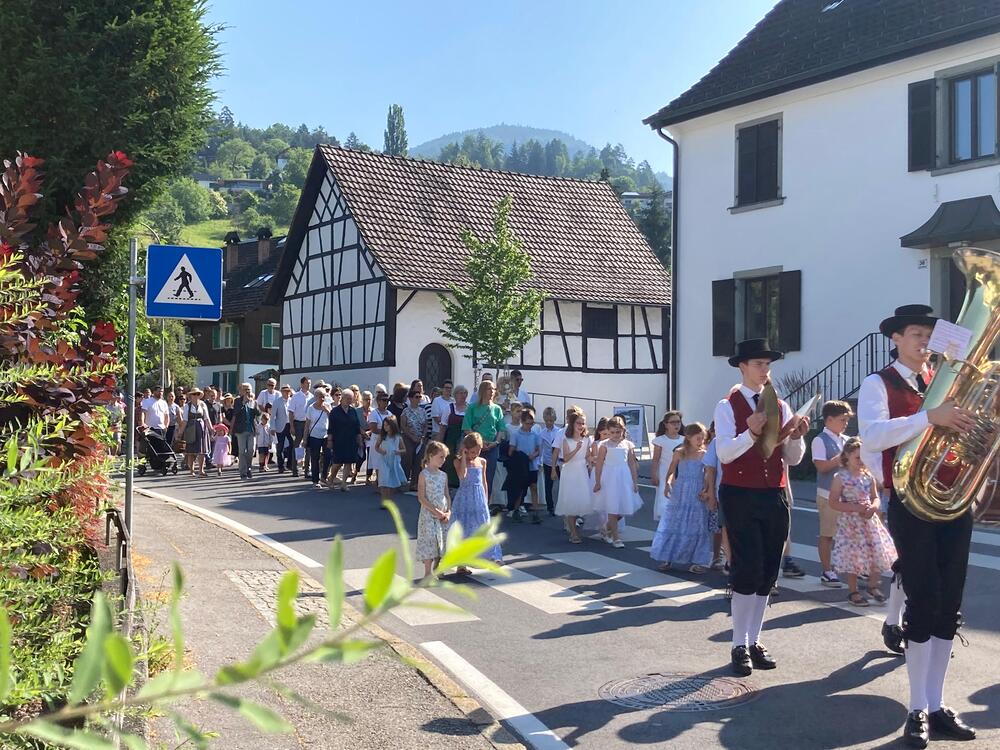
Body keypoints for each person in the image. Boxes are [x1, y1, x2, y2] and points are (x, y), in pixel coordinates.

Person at [857, 304, 977, 746]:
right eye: (916, 335)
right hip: (911, 503)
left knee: (949, 605)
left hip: (954, 501)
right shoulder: (878, 383)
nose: (924, 342)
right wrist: (930, 416)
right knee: (924, 603)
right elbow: (872, 436)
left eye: (929, 335)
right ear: (896, 339)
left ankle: (938, 703)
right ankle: (917, 708)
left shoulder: (944, 379)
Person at [714, 338, 809, 678]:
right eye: (758, 364)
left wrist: (796, 436)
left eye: (767, 365)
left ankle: (754, 639)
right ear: (743, 367)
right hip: (740, 494)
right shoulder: (727, 406)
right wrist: (750, 434)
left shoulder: (781, 406)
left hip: (774, 494)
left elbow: (792, 459)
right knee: (747, 569)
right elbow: (725, 454)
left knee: (768, 571)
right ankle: (738, 643)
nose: (765, 370)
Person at [827, 437, 897, 607]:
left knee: (875, 552)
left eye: (863, 457)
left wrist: (874, 507)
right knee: (853, 556)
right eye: (857, 457)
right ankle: (853, 590)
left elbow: (875, 497)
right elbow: (833, 502)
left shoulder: (868, 476)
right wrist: (854, 507)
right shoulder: (840, 477)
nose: (861, 461)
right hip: (851, 524)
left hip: (869, 521)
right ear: (847, 456)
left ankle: (873, 586)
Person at [651, 423, 713, 573]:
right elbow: (672, 470)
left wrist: (706, 490)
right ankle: (668, 557)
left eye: (703, 438)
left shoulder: (704, 454)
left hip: (696, 492)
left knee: (697, 525)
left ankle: (697, 560)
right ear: (689, 437)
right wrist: (667, 483)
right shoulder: (679, 452)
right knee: (674, 523)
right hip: (681, 491)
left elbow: (708, 474)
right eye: (698, 438)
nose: (700, 441)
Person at [812, 400, 853, 588]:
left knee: (850, 534)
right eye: (842, 420)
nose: (845, 423)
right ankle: (827, 571)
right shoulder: (820, 440)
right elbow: (821, 467)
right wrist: (841, 457)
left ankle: (852, 568)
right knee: (827, 534)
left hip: (847, 495)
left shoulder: (846, 440)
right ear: (829, 420)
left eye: (847, 420)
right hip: (827, 494)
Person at [449, 432, 502, 574]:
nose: (475, 455)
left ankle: (492, 556)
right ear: (466, 449)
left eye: (478, 451)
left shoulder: (482, 461)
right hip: (464, 499)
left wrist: (486, 498)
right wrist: (464, 457)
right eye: (472, 452)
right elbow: (462, 476)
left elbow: (484, 482)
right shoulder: (458, 461)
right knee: (464, 528)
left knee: (482, 526)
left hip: (478, 498)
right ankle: (461, 564)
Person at [592, 416, 643, 548]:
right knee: (613, 507)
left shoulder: (628, 444)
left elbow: (631, 464)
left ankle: (606, 526)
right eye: (612, 432)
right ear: (608, 432)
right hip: (610, 478)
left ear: (623, 431)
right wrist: (597, 481)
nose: (615, 435)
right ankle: (616, 537)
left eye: (618, 432)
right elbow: (599, 464)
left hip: (624, 477)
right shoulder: (604, 445)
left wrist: (635, 482)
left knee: (624, 507)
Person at [462, 380, 507, 499]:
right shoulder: (472, 408)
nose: (492, 391)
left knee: (488, 477)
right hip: (474, 447)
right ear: (482, 391)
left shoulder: (497, 409)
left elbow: (501, 429)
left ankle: (485, 502)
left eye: (493, 389)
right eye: (489, 389)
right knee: (473, 475)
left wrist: (496, 442)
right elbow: (466, 427)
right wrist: (479, 442)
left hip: (491, 447)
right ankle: (472, 501)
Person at [554, 411, 594, 544]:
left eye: (583, 423)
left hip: (581, 472)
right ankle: (573, 533)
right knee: (571, 502)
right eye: (578, 423)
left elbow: (587, 456)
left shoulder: (587, 439)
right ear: (572, 424)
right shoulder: (566, 440)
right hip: (570, 472)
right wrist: (576, 449)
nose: (581, 426)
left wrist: (592, 460)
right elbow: (566, 458)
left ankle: (574, 528)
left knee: (580, 501)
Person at [415, 441, 451, 581]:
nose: (443, 460)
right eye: (441, 457)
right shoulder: (424, 474)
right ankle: (427, 573)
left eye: (445, 457)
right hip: (429, 515)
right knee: (429, 541)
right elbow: (421, 497)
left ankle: (438, 566)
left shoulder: (443, 475)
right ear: (431, 456)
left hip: (442, 515)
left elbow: (446, 494)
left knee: (441, 541)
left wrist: (448, 511)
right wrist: (436, 512)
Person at [506, 407, 543, 524]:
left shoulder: (535, 435)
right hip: (521, 466)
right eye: (527, 423)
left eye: (532, 423)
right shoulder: (516, 434)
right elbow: (511, 451)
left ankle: (536, 512)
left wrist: (533, 455)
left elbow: (539, 450)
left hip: (532, 465)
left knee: (534, 487)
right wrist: (519, 455)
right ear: (522, 422)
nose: (530, 426)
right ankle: (516, 510)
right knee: (520, 489)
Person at [701, 423, 730, 571]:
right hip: (722, 491)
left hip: (745, 492)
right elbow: (710, 469)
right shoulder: (716, 442)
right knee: (721, 527)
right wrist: (710, 493)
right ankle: (719, 557)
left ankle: (732, 560)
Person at [651, 411, 685, 522]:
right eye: (673, 422)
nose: (676, 425)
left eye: (678, 422)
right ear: (666, 424)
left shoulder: (684, 440)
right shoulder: (660, 440)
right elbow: (655, 460)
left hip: (680, 473)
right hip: (664, 473)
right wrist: (654, 474)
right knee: (665, 499)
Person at [327, 389, 364, 491]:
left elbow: (357, 426)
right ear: (342, 398)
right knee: (337, 462)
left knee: (348, 461)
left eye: (351, 399)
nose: (349, 401)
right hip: (338, 440)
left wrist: (359, 439)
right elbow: (331, 427)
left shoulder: (353, 411)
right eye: (347, 398)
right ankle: (331, 478)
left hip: (351, 440)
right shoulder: (335, 411)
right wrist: (330, 440)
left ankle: (344, 483)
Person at [401, 389, 428, 491]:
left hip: (420, 439)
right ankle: (404, 482)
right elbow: (403, 425)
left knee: (419, 461)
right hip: (408, 438)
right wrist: (412, 436)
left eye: (420, 397)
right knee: (407, 459)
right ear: (411, 398)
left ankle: (415, 483)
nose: (418, 399)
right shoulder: (406, 411)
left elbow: (426, 425)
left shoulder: (423, 411)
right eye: (416, 397)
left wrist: (422, 436)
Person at [179, 388, 211, 476]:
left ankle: (201, 470)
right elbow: (185, 420)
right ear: (190, 396)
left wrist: (211, 429)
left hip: (201, 428)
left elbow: (206, 418)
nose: (196, 396)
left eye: (197, 394)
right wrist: (180, 432)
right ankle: (191, 470)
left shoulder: (203, 404)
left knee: (202, 450)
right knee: (190, 451)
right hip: (190, 428)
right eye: (194, 394)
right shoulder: (187, 406)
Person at [232, 383, 260, 480]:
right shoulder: (237, 401)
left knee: (251, 450)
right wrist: (243, 402)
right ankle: (243, 472)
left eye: (249, 389)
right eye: (245, 389)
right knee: (242, 451)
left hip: (251, 429)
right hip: (241, 430)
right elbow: (236, 412)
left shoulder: (253, 401)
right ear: (241, 391)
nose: (247, 391)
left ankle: (248, 468)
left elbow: (258, 413)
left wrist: (254, 405)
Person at [375, 415, 407, 501]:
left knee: (391, 482)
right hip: (384, 460)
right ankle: (384, 500)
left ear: (392, 425)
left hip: (393, 461)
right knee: (383, 481)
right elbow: (376, 447)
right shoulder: (382, 437)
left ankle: (389, 500)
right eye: (384, 425)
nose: (385, 427)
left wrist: (398, 451)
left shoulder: (398, 438)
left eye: (387, 425)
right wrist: (381, 451)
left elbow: (404, 449)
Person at [443, 386, 469, 488]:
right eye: (460, 393)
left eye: (465, 393)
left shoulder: (470, 408)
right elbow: (443, 427)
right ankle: (450, 484)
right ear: (455, 395)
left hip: (465, 439)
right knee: (450, 461)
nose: (463, 395)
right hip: (451, 439)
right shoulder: (449, 408)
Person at [538, 407, 561, 516]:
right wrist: (539, 461)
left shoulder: (559, 432)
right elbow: (541, 448)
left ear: (554, 419)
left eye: (551, 420)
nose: (549, 423)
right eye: (547, 420)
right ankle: (550, 507)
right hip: (548, 462)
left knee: (562, 485)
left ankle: (561, 505)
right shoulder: (542, 433)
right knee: (548, 485)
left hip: (559, 462)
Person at [367, 392, 392, 485]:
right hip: (377, 441)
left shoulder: (390, 413)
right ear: (378, 401)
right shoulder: (374, 413)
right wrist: (385, 433)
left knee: (386, 462)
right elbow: (373, 428)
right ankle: (379, 482)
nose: (386, 402)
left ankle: (384, 482)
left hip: (388, 441)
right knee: (378, 462)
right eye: (384, 400)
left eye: (387, 400)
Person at [288, 376, 311, 477]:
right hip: (298, 423)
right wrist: (292, 426)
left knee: (308, 446)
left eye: (309, 383)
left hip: (308, 423)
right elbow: (291, 412)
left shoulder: (312, 396)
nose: (308, 385)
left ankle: (307, 470)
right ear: (302, 384)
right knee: (297, 446)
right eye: (306, 383)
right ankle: (295, 469)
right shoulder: (296, 396)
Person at [271, 385, 294, 474]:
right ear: (282, 392)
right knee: (280, 447)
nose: (287, 393)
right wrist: (272, 428)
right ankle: (280, 466)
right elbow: (273, 416)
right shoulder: (277, 402)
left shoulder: (292, 401)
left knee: (292, 445)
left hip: (290, 425)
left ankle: (289, 464)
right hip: (280, 426)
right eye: (285, 391)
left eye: (288, 391)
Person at [356, 390, 373, 483]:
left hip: (370, 435)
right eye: (366, 399)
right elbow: (355, 424)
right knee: (361, 456)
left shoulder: (373, 411)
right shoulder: (357, 411)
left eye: (370, 399)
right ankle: (356, 472)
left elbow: (375, 424)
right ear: (362, 400)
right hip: (360, 434)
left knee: (371, 456)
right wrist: (362, 432)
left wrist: (369, 432)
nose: (368, 401)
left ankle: (368, 476)